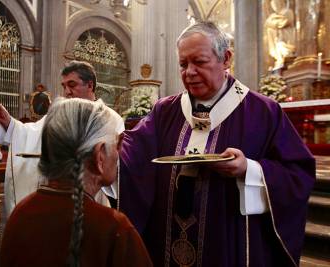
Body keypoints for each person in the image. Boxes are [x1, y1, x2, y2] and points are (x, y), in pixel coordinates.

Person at [119, 21, 315, 267]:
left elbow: (298, 174)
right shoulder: (165, 112)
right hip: (166, 246)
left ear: (226, 59)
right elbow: (129, 157)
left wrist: (250, 170)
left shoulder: (263, 112)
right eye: (183, 64)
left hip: (226, 249)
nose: (189, 72)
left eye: (199, 62)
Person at [0, 98, 152, 267]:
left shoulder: (20, 214)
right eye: (117, 144)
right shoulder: (114, 229)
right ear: (100, 155)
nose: (119, 154)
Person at [0, 61, 124, 217]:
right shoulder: (59, 113)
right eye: (64, 86)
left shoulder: (108, 118)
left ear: (90, 85)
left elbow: (112, 163)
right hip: (58, 195)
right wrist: (9, 123)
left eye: (72, 85)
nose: (67, 91)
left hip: (90, 197)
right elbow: (31, 133)